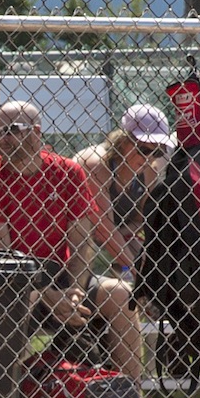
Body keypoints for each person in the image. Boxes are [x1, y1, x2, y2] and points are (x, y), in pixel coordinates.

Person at [0, 100, 166, 398]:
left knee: (118, 294)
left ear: (37, 133)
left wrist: (73, 288)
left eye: (14, 131)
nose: (5, 139)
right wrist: (45, 295)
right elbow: (0, 255)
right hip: (10, 280)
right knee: (21, 300)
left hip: (61, 273)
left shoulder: (67, 172)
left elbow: (82, 239)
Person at [68, 106, 167, 274]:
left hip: (117, 243)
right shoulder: (97, 164)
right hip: (78, 245)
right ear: (123, 141)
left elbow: (141, 221)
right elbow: (102, 230)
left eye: (157, 152)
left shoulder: (149, 170)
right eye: (143, 150)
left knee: (143, 251)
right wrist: (140, 275)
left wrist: (122, 234)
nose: (149, 158)